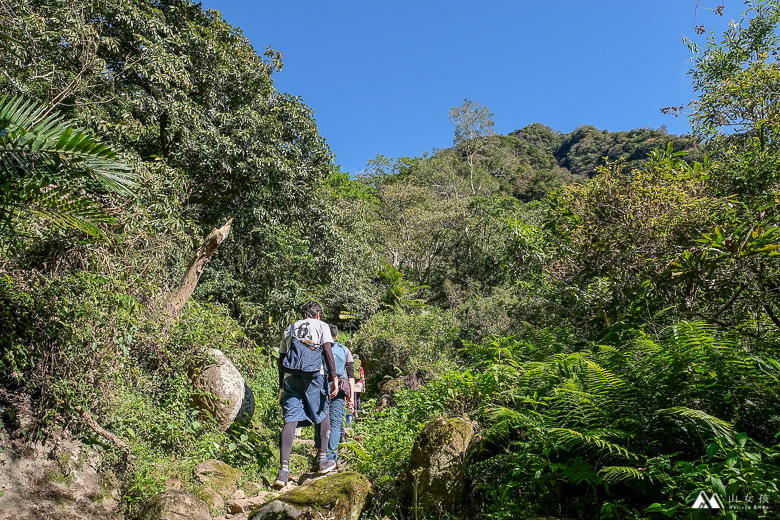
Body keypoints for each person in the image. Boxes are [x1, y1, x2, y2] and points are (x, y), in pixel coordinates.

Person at [274, 302, 339, 489]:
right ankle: (322, 461)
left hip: (290, 377)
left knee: (291, 419)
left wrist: (281, 388)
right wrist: (334, 376)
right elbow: (327, 351)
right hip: (313, 375)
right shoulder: (322, 326)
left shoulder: (290, 328)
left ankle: (283, 472)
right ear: (318, 314)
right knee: (323, 411)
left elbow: (282, 358)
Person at [313, 324, 355, 464]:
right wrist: (351, 397)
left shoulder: (318, 348)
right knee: (336, 424)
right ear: (337, 336)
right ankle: (331, 458)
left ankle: (320, 454)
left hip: (320, 387)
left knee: (320, 420)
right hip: (339, 389)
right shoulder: (345, 350)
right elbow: (350, 375)